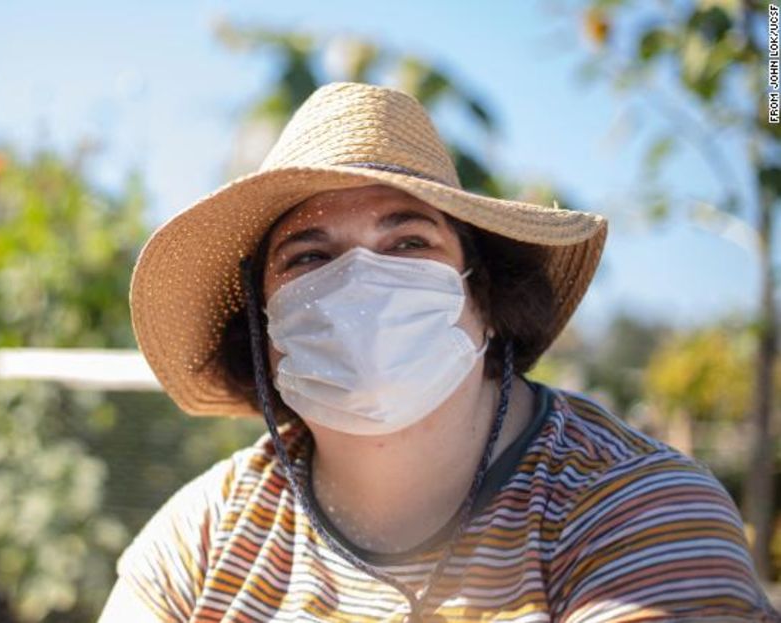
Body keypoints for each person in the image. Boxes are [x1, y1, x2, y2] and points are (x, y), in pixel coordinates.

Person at [99, 81, 781, 622]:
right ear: (263, 329)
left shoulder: (634, 512)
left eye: (408, 243)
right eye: (310, 255)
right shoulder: (205, 539)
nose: (361, 280)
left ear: (483, 295)